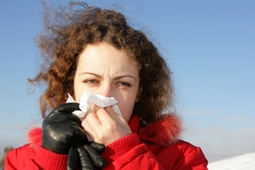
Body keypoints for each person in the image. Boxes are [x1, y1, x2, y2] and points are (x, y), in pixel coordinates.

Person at [5, 1, 208, 170]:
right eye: (91, 81)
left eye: (123, 83)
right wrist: (52, 160)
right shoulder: (22, 160)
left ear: (139, 92)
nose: (104, 94)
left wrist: (126, 154)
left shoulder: (183, 159)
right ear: (71, 85)